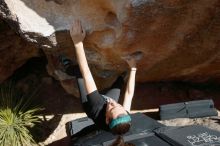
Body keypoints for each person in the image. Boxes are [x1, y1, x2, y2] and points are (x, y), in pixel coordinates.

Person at [62, 20, 137, 135]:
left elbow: (86, 72)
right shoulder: (120, 116)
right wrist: (133, 68)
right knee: (119, 84)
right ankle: (121, 78)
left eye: (112, 108)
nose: (114, 103)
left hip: (91, 103)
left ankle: (67, 67)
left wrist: (78, 42)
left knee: (80, 73)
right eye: (119, 105)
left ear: (107, 119)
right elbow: (129, 94)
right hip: (105, 105)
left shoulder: (96, 106)